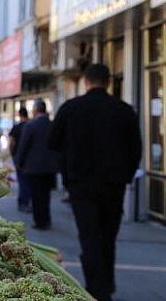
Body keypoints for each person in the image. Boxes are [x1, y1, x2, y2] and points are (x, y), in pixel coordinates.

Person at [48, 63, 142, 301]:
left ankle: (97, 290)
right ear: (109, 82)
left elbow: (52, 142)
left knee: (89, 236)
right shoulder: (124, 110)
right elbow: (136, 150)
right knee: (108, 236)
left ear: (86, 82)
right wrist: (126, 175)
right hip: (114, 185)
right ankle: (105, 285)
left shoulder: (71, 108)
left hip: (81, 184)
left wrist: (69, 162)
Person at [15, 99, 60, 230]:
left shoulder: (30, 125)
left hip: (33, 167)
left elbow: (24, 146)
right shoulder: (52, 125)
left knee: (35, 194)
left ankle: (39, 220)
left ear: (35, 110)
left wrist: (19, 162)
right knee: (46, 194)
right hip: (49, 167)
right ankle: (46, 219)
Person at [8, 106, 31, 212]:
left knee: (22, 181)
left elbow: (11, 142)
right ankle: (27, 202)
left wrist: (12, 153)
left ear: (19, 115)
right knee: (28, 181)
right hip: (30, 158)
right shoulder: (31, 125)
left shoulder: (16, 127)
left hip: (19, 157)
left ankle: (23, 202)